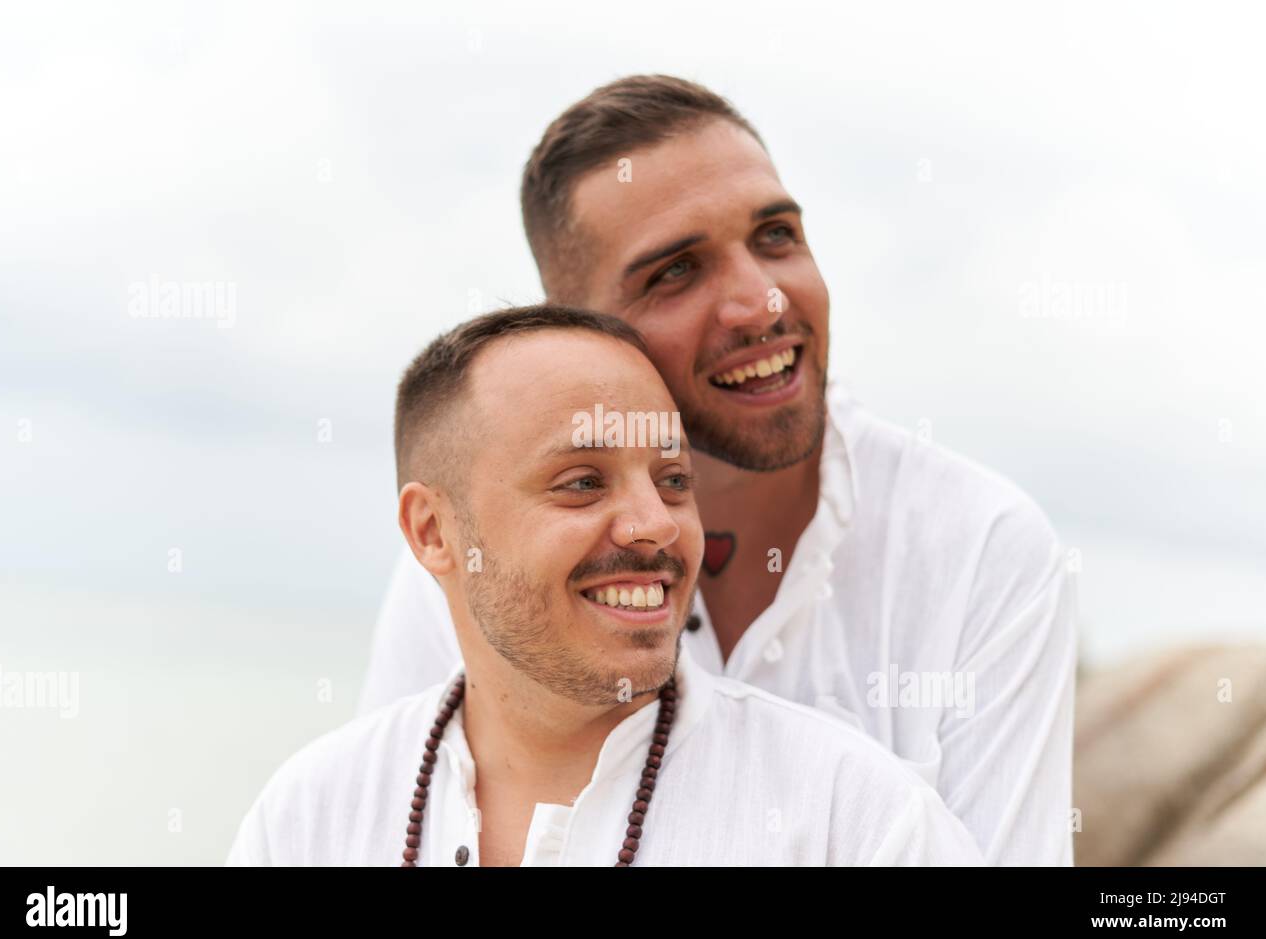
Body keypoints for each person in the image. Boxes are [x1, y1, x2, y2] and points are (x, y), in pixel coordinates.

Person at [360, 76, 1079, 865]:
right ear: (580, 330)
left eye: (775, 236)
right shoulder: (478, 567)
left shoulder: (980, 549)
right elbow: (403, 827)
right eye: (676, 272)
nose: (762, 302)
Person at [227, 305, 983, 866]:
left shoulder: (851, 821)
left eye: (674, 479)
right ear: (432, 531)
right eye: (583, 483)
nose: (656, 525)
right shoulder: (310, 818)